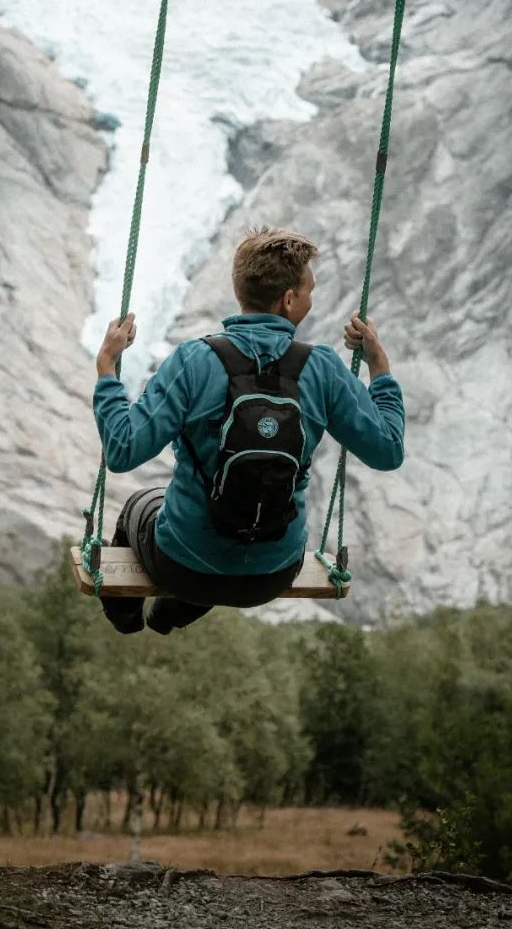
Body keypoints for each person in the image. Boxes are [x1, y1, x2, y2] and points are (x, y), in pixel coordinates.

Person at [92, 227, 405, 634]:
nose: (310, 299)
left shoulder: (193, 361)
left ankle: (126, 619)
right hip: (273, 573)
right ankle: (169, 616)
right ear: (289, 300)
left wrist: (107, 370)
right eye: (309, 291)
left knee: (142, 503)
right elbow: (389, 450)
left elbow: (122, 450)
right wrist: (379, 367)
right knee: (227, 543)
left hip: (183, 564)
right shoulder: (322, 368)